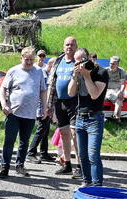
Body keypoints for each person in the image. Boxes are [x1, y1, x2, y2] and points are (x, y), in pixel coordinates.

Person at [0, 46, 47, 178]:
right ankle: (5, 166)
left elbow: (43, 91)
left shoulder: (39, 71)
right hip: (13, 112)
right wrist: (4, 105)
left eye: (32, 59)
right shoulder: (13, 71)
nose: (29, 62)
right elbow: (2, 89)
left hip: (30, 113)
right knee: (9, 141)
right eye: (27, 60)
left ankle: (20, 165)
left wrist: (44, 108)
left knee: (24, 141)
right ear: (21, 58)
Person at [68, 48, 108, 187]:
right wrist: (75, 75)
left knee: (93, 156)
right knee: (82, 156)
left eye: (82, 61)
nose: (80, 64)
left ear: (89, 58)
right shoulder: (78, 73)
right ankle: (86, 182)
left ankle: (97, 186)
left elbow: (95, 94)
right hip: (80, 118)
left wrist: (86, 75)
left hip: (94, 119)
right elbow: (71, 92)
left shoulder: (101, 72)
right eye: (76, 62)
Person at [46, 36, 81, 178]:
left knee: (75, 134)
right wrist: (48, 105)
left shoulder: (78, 61)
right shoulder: (58, 61)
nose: (69, 47)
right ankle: (67, 164)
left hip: (74, 102)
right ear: (63, 46)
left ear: (76, 47)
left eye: (72, 45)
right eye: (67, 44)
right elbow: (51, 84)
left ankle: (80, 166)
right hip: (59, 102)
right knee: (64, 133)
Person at [29, 49, 53, 163]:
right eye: (40, 55)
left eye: (44, 56)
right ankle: (31, 152)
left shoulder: (47, 73)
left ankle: (44, 153)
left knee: (46, 130)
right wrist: (44, 108)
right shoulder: (42, 73)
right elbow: (43, 91)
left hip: (47, 105)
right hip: (42, 105)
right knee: (41, 129)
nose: (42, 57)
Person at [106, 55, 126, 121]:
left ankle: (116, 116)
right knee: (117, 97)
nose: (111, 65)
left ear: (117, 64)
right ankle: (117, 117)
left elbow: (123, 83)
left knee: (120, 95)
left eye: (113, 64)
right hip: (108, 90)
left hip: (118, 89)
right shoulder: (105, 70)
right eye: (110, 63)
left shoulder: (121, 71)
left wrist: (121, 91)